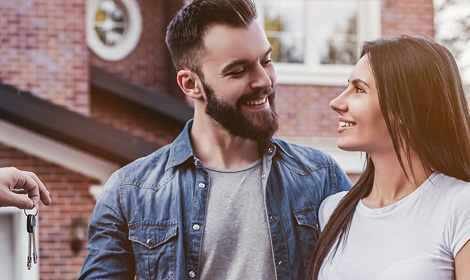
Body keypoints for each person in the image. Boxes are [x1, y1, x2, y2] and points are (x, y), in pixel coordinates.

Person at [78, 0, 351, 279]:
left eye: (266, 61)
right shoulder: (129, 192)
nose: (264, 81)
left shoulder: (321, 177)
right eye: (238, 70)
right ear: (191, 84)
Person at [310, 35, 470, 280]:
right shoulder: (332, 211)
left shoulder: (460, 206)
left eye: (359, 89)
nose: (336, 102)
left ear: (405, 108)